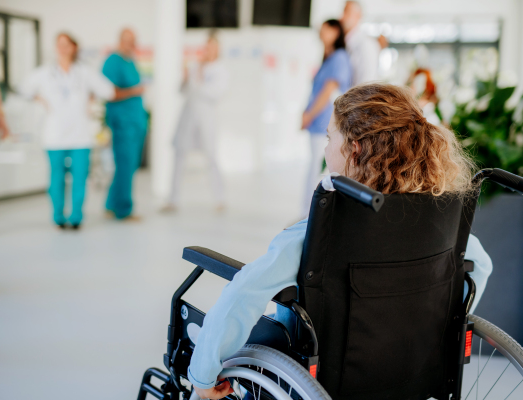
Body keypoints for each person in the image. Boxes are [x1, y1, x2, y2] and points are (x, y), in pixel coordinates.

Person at [187, 83, 493, 399]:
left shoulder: (319, 235)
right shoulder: (437, 222)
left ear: (354, 149)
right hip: (410, 368)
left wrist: (203, 375)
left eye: (330, 137)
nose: (325, 147)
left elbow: (244, 293)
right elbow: (481, 266)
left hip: (325, 378)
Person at [20, 33, 138, 229]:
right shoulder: (44, 72)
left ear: (74, 47)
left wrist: (92, 95)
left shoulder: (85, 72)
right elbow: (23, 88)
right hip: (54, 135)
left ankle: (76, 217)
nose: (63, 49)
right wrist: (38, 98)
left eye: (67, 45)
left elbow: (108, 91)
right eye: (60, 45)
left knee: (80, 178)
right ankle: (58, 216)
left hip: (80, 135)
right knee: (56, 178)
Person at [162, 33, 228, 213]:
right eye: (206, 47)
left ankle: (219, 199)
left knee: (211, 157)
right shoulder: (193, 67)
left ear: (217, 50)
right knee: (179, 156)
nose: (208, 51)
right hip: (188, 116)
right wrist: (186, 78)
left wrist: (197, 79)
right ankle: (172, 200)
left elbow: (214, 93)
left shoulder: (220, 70)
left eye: (212, 48)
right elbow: (182, 90)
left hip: (206, 118)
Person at [301, 19, 352, 217]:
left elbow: (328, 90)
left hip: (324, 123)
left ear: (336, 32)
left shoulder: (339, 57)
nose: (321, 32)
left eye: (326, 29)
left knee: (317, 170)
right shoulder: (328, 58)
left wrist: (309, 114)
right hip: (318, 122)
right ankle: (307, 213)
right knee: (313, 167)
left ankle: (310, 215)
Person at [102, 28, 147, 221]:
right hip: (123, 122)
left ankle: (111, 204)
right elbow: (108, 92)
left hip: (135, 121)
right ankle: (123, 210)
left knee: (128, 166)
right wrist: (134, 91)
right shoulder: (113, 62)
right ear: (120, 40)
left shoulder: (131, 61)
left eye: (134, 41)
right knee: (125, 165)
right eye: (128, 40)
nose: (132, 44)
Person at [340, 1, 381, 86]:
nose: (342, 17)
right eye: (343, 11)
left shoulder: (367, 44)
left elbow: (366, 83)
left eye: (347, 12)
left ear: (358, 16)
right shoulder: (345, 42)